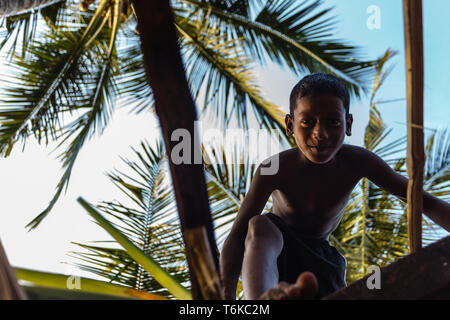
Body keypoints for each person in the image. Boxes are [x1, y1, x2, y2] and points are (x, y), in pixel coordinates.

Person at [219, 73, 450, 300]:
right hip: (276, 253)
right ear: (290, 124)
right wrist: (224, 291)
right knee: (260, 226)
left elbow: (423, 201)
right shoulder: (274, 168)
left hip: (323, 262)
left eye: (333, 122)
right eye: (308, 122)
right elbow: (239, 235)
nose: (320, 133)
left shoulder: (358, 161)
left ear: (347, 123)